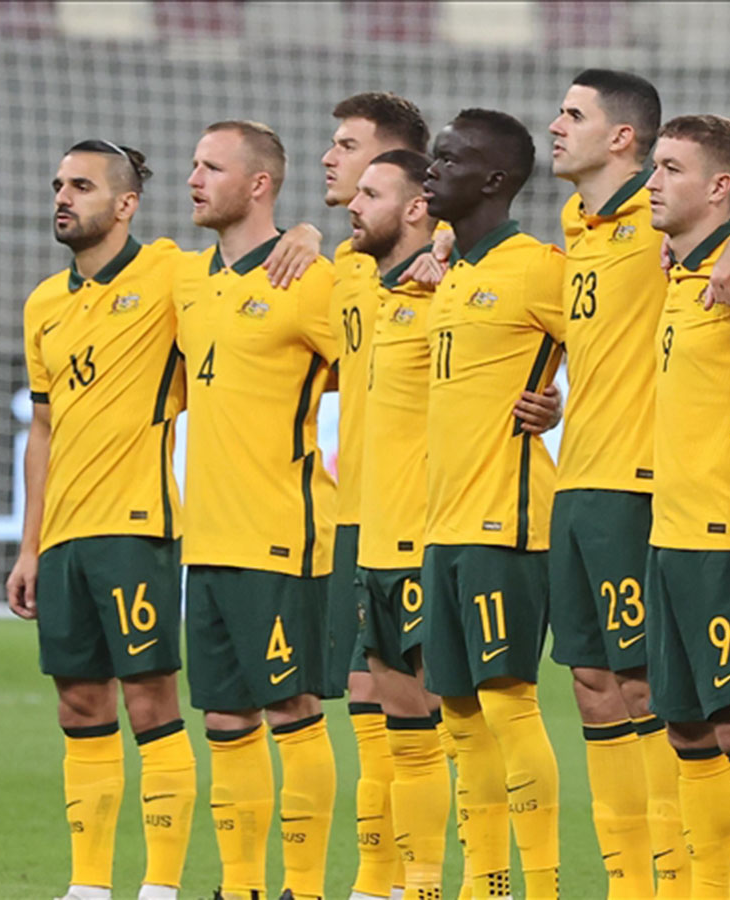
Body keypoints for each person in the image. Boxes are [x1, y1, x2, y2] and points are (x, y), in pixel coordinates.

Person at [8, 139, 320, 900]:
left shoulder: (173, 274)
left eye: (82, 185)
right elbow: (43, 428)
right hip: (65, 538)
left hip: (138, 526)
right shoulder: (42, 305)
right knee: (79, 703)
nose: (63, 196)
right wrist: (30, 546)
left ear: (126, 204)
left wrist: (309, 235)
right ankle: (88, 886)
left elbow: (255, 260)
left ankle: (160, 885)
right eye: (58, 184)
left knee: (150, 699)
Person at [174, 119, 337, 900]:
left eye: (212, 167)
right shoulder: (186, 281)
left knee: (291, 708)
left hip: (280, 536)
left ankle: (303, 887)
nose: (194, 179)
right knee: (224, 720)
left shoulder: (309, 281)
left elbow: (385, 361)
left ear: (259, 184)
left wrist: (312, 235)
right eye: (194, 165)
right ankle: (240, 887)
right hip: (205, 540)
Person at [545, 67, 689, 898]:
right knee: (593, 687)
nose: (556, 126)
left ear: (623, 137)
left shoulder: (668, 215)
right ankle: (628, 884)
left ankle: (675, 881)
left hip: (640, 481)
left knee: (644, 685)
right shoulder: (579, 222)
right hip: (576, 478)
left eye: (574, 114)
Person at [421, 108, 565, 899]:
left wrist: (562, 407)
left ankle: (540, 887)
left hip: (505, 520)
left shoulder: (537, 268)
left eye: (450, 159)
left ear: (496, 179)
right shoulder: (454, 272)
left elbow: (621, 343)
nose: (432, 169)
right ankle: (487, 886)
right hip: (443, 523)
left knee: (509, 704)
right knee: (458, 716)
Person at [643, 113, 730, 899]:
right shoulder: (679, 270)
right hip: (669, 526)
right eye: (654, 166)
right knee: (686, 727)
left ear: (722, 186)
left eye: (671, 169)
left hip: (726, 528)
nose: (653, 183)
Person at [320, 91, 432, 900]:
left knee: (431, 712)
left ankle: (432, 878)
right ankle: (377, 882)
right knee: (367, 704)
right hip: (355, 510)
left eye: (349, 148)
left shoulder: (448, 262)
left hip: (424, 512)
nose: (333, 160)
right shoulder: (343, 269)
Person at [345, 148, 448, 899]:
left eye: (370, 192)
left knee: (462, 725)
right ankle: (397, 886)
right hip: (375, 536)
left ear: (417, 208)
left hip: (434, 535)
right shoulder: (374, 291)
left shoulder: (452, 288)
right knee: (396, 728)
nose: (352, 203)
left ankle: (462, 883)